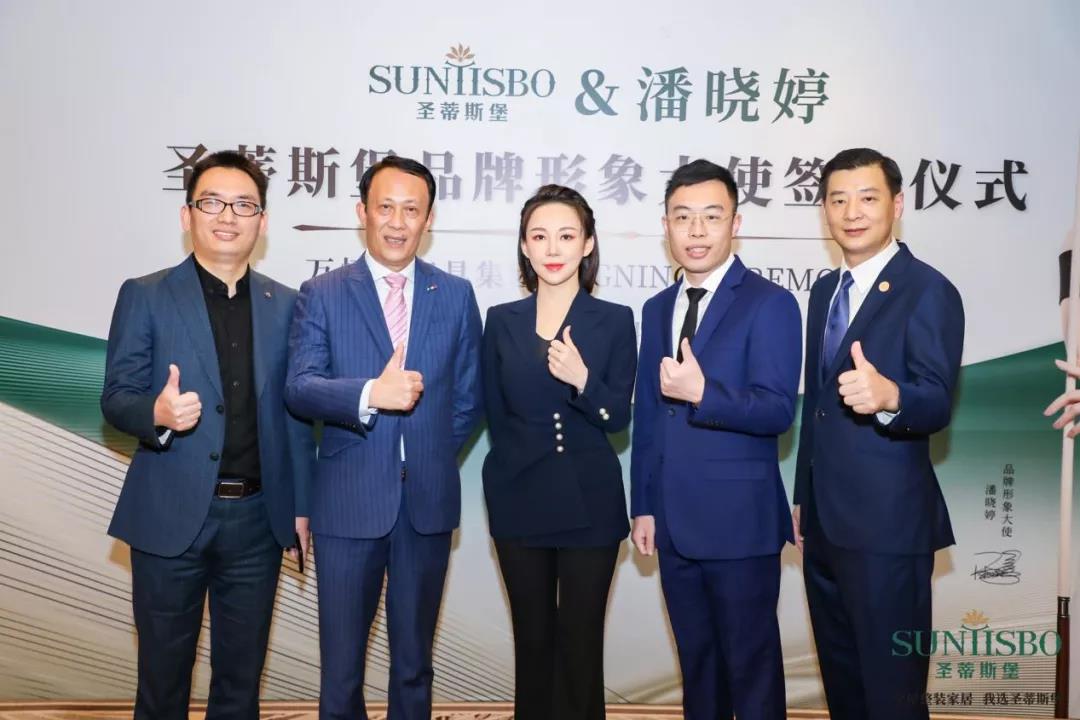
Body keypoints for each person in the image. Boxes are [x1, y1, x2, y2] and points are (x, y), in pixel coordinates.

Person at [100, 150, 313, 720]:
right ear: (187, 214)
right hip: (170, 515)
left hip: (257, 523)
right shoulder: (146, 294)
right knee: (162, 683)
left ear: (262, 222)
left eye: (244, 205)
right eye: (212, 202)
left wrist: (299, 505)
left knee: (240, 686)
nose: (228, 216)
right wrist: (156, 413)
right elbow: (116, 396)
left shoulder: (287, 305)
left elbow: (295, 415)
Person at [284, 155, 483, 720]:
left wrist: (426, 455)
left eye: (411, 210)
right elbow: (300, 387)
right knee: (341, 668)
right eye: (386, 207)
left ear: (429, 219)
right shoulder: (322, 292)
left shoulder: (456, 294)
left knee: (414, 664)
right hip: (347, 504)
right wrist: (372, 393)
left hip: (426, 505)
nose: (398, 222)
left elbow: (468, 398)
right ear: (362, 212)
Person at [792, 147, 964, 719]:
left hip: (889, 529)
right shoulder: (824, 292)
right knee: (844, 686)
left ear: (897, 204)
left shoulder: (928, 289)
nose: (852, 212)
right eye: (838, 200)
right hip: (824, 525)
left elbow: (936, 400)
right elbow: (817, 406)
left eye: (867, 198)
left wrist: (892, 397)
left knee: (893, 694)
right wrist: (803, 497)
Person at [629, 159, 801, 720]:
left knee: (751, 673)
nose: (696, 230)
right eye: (683, 217)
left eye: (711, 216)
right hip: (672, 524)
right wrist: (644, 505)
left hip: (740, 525)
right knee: (698, 671)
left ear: (736, 223)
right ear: (666, 226)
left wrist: (705, 392)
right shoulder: (657, 308)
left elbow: (777, 410)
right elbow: (649, 415)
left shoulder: (770, 303)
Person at [482, 185, 636, 720]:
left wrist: (584, 381)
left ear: (587, 244)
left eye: (567, 236)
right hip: (518, 498)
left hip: (589, 503)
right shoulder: (501, 319)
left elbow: (618, 419)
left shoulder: (615, 319)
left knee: (580, 642)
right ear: (524, 246)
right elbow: (495, 414)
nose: (553, 248)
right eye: (540, 236)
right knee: (533, 640)